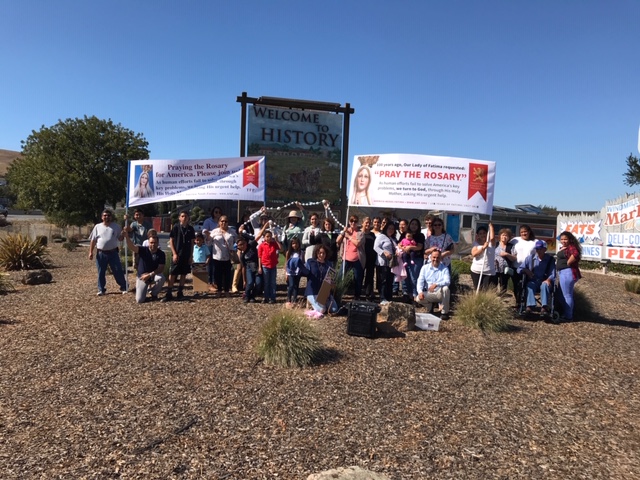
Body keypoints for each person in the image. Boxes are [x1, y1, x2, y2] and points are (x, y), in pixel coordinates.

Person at [88, 209, 128, 296]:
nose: (107, 217)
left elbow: (120, 238)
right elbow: (93, 240)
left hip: (113, 253)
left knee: (118, 271)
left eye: (108, 215)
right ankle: (101, 289)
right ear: (102, 217)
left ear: (111, 217)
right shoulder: (97, 227)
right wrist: (90, 252)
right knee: (101, 272)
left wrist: (123, 234)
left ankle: (124, 287)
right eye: (105, 215)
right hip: (101, 254)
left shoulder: (116, 227)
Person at [123, 231, 166, 303]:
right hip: (142, 277)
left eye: (155, 242)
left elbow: (161, 268)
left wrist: (149, 275)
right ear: (148, 243)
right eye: (151, 242)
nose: (153, 244)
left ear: (158, 243)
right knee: (139, 300)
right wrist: (127, 237)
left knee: (161, 278)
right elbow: (132, 247)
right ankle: (144, 292)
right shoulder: (143, 250)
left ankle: (153, 293)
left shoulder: (161, 254)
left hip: (153, 275)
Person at [163, 210, 195, 302]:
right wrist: (174, 253)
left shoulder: (191, 229)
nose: (184, 218)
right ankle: (169, 293)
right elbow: (171, 241)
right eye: (182, 216)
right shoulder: (176, 228)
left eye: (186, 216)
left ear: (188, 218)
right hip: (177, 254)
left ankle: (180, 292)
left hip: (186, 254)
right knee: (172, 273)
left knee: (184, 273)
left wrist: (191, 255)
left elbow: (192, 243)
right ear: (179, 218)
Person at [519, 239, 556, 317]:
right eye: (537, 249)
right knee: (529, 285)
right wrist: (525, 270)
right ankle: (530, 306)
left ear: (545, 249)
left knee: (544, 285)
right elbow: (519, 269)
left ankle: (544, 307)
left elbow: (553, 273)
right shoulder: (530, 258)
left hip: (545, 281)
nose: (538, 251)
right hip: (533, 281)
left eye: (540, 249)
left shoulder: (550, 260)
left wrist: (548, 280)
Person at [415, 250, 451, 320]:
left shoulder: (444, 268)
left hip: (440, 293)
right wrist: (420, 292)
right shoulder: (425, 268)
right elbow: (420, 281)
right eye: (434, 257)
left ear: (440, 258)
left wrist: (436, 284)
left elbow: (448, 281)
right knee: (418, 299)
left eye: (437, 257)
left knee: (446, 288)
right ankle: (430, 306)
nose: (435, 259)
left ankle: (444, 312)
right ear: (430, 257)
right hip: (429, 293)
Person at [304, 244, 339, 316]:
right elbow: (305, 272)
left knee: (334, 310)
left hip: (324, 292)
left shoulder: (329, 264)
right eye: (320, 253)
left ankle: (321, 305)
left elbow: (331, 280)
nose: (322, 255)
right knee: (322, 310)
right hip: (313, 292)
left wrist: (332, 285)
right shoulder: (310, 262)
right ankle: (310, 301)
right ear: (316, 253)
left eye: (324, 253)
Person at [337, 215, 365, 300]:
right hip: (346, 258)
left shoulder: (360, 233)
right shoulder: (345, 231)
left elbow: (357, 243)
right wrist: (343, 233)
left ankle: (357, 296)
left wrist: (349, 237)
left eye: (355, 221)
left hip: (357, 258)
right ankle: (338, 293)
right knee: (340, 276)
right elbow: (337, 241)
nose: (353, 223)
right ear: (349, 222)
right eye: (351, 221)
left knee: (358, 278)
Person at [556, 231, 582, 321]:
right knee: (560, 295)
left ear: (570, 239)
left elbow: (575, 254)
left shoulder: (572, 247)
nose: (563, 241)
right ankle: (564, 312)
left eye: (565, 239)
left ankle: (568, 316)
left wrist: (568, 262)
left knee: (567, 295)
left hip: (568, 272)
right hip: (562, 273)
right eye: (562, 239)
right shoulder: (565, 248)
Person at [209, 215, 237, 297]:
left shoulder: (232, 232)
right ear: (219, 222)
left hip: (228, 256)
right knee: (218, 274)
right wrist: (207, 236)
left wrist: (234, 248)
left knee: (227, 274)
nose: (224, 223)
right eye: (222, 221)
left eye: (225, 221)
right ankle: (219, 290)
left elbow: (237, 241)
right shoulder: (214, 231)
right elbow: (208, 242)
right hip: (217, 256)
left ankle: (227, 290)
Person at [510, 225, 537, 307]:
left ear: (529, 232)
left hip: (529, 269)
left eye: (525, 231)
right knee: (516, 286)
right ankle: (518, 302)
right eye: (521, 232)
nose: (523, 233)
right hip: (516, 267)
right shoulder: (515, 240)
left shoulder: (535, 242)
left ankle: (525, 304)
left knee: (526, 287)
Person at [373, 221, 398, 305]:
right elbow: (375, 247)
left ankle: (389, 297)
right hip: (382, 262)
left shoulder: (392, 239)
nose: (391, 230)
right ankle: (382, 298)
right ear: (386, 228)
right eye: (389, 228)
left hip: (391, 263)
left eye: (393, 229)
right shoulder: (381, 236)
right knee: (383, 280)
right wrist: (384, 252)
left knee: (390, 281)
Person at [470, 223, 498, 291]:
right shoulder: (475, 244)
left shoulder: (492, 243)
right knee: (478, 290)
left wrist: (491, 226)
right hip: (476, 270)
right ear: (478, 235)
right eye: (480, 233)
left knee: (486, 290)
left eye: (484, 233)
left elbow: (492, 238)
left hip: (488, 271)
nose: (482, 235)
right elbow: (474, 254)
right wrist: (483, 248)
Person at [257, 230, 282, 304]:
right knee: (266, 282)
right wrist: (259, 267)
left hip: (273, 265)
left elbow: (281, 248)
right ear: (264, 237)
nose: (269, 238)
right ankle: (266, 297)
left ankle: (273, 297)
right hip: (265, 265)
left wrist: (277, 240)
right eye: (267, 236)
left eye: (270, 236)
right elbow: (259, 256)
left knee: (273, 282)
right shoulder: (261, 246)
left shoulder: (274, 244)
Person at [236, 235, 261, 304]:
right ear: (238, 247)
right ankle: (247, 295)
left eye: (243, 243)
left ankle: (253, 296)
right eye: (240, 245)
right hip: (248, 268)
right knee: (250, 283)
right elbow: (243, 267)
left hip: (256, 266)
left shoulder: (251, 246)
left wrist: (264, 227)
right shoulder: (242, 256)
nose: (242, 246)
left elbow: (258, 236)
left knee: (258, 283)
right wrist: (244, 280)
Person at [202, 206, 223, 288]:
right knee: (210, 264)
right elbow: (204, 231)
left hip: (219, 245)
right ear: (213, 213)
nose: (217, 214)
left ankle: (216, 281)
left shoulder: (222, 222)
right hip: (210, 245)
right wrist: (213, 233)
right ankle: (210, 282)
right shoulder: (208, 221)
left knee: (217, 264)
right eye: (216, 212)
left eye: (219, 212)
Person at [495, 228, 517, 295]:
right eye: (503, 235)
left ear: (509, 237)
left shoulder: (511, 246)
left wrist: (506, 254)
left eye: (506, 235)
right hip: (495, 268)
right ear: (500, 236)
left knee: (503, 285)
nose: (504, 237)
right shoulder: (495, 244)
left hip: (505, 270)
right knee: (493, 284)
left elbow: (514, 258)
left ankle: (501, 299)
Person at [285, 237, 305, 307]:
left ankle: (294, 300)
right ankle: (288, 299)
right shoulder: (289, 253)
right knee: (291, 285)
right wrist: (286, 273)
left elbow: (303, 262)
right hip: (290, 272)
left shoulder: (301, 253)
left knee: (296, 286)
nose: (294, 245)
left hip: (298, 272)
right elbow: (286, 263)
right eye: (293, 243)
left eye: (296, 243)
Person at [361, 217, 377, 302]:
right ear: (362, 223)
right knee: (360, 276)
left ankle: (368, 294)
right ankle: (359, 293)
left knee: (369, 276)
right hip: (362, 258)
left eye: (369, 223)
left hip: (371, 258)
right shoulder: (359, 233)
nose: (367, 224)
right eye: (366, 222)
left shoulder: (372, 235)